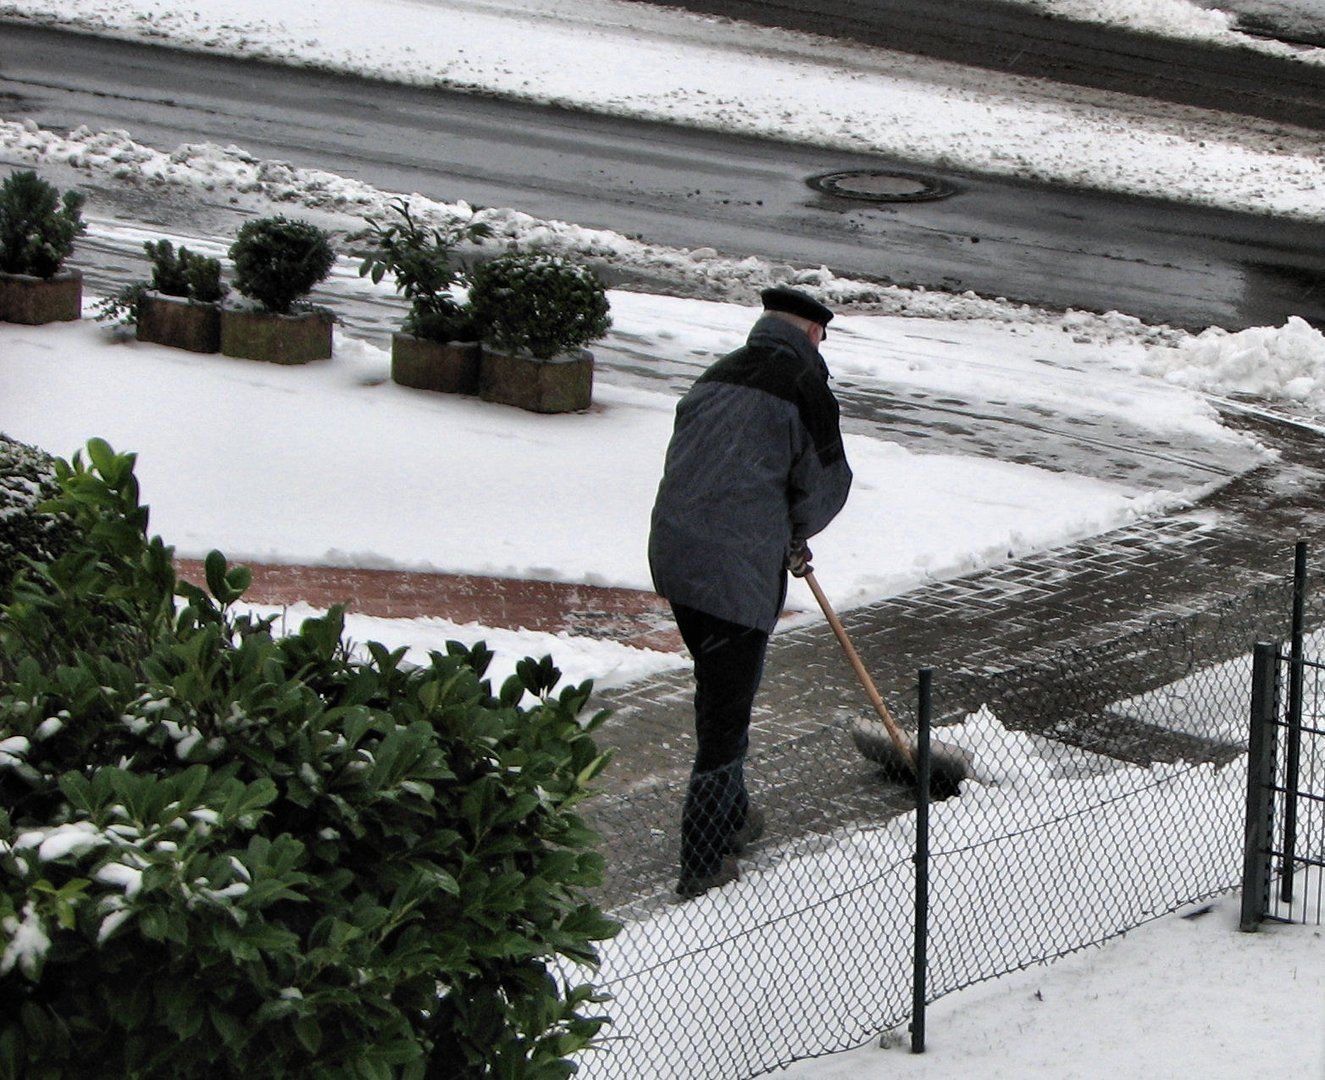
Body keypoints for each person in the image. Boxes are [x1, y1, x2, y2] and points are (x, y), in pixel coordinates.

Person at [648, 285, 853, 898]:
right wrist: (794, 528)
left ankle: (733, 817)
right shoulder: (804, 388)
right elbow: (825, 485)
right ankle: (704, 862)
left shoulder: (716, 375)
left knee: (720, 683)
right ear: (814, 332)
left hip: (677, 557)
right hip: (732, 570)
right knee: (725, 716)